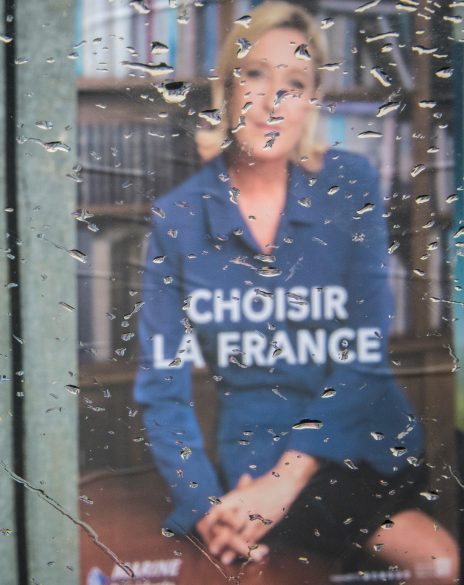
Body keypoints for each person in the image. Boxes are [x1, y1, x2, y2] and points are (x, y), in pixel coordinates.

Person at [135, 2, 458, 581]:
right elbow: (164, 388)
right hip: (251, 462)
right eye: (256, 74)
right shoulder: (177, 218)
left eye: (296, 83)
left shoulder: (350, 183)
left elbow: (364, 350)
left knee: (438, 563)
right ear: (228, 85)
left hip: (358, 444)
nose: (272, 101)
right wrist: (207, 507)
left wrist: (285, 481)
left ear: (312, 100)